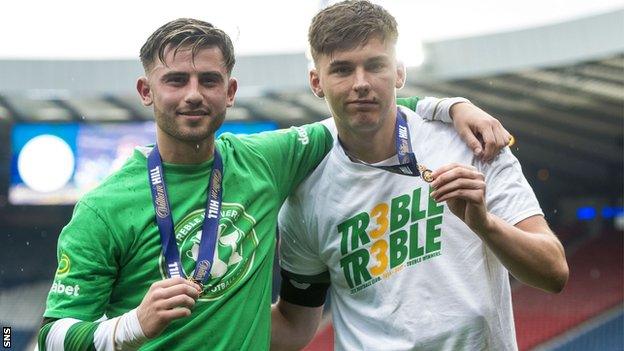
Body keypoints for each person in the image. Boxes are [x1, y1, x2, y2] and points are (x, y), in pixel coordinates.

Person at [37, 18, 511, 351]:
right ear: (147, 92)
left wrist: (449, 106)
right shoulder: (104, 207)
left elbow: (364, 108)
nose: (194, 95)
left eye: (209, 80)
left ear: (231, 91)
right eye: (175, 80)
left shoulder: (266, 160)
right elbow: (52, 335)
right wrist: (130, 327)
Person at [272, 2, 569, 350]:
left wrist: (485, 224)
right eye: (341, 70)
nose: (361, 83)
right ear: (316, 82)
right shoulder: (307, 189)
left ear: (399, 72)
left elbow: (554, 273)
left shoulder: (471, 142)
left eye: (376, 65)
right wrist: (207, 310)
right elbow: (294, 327)